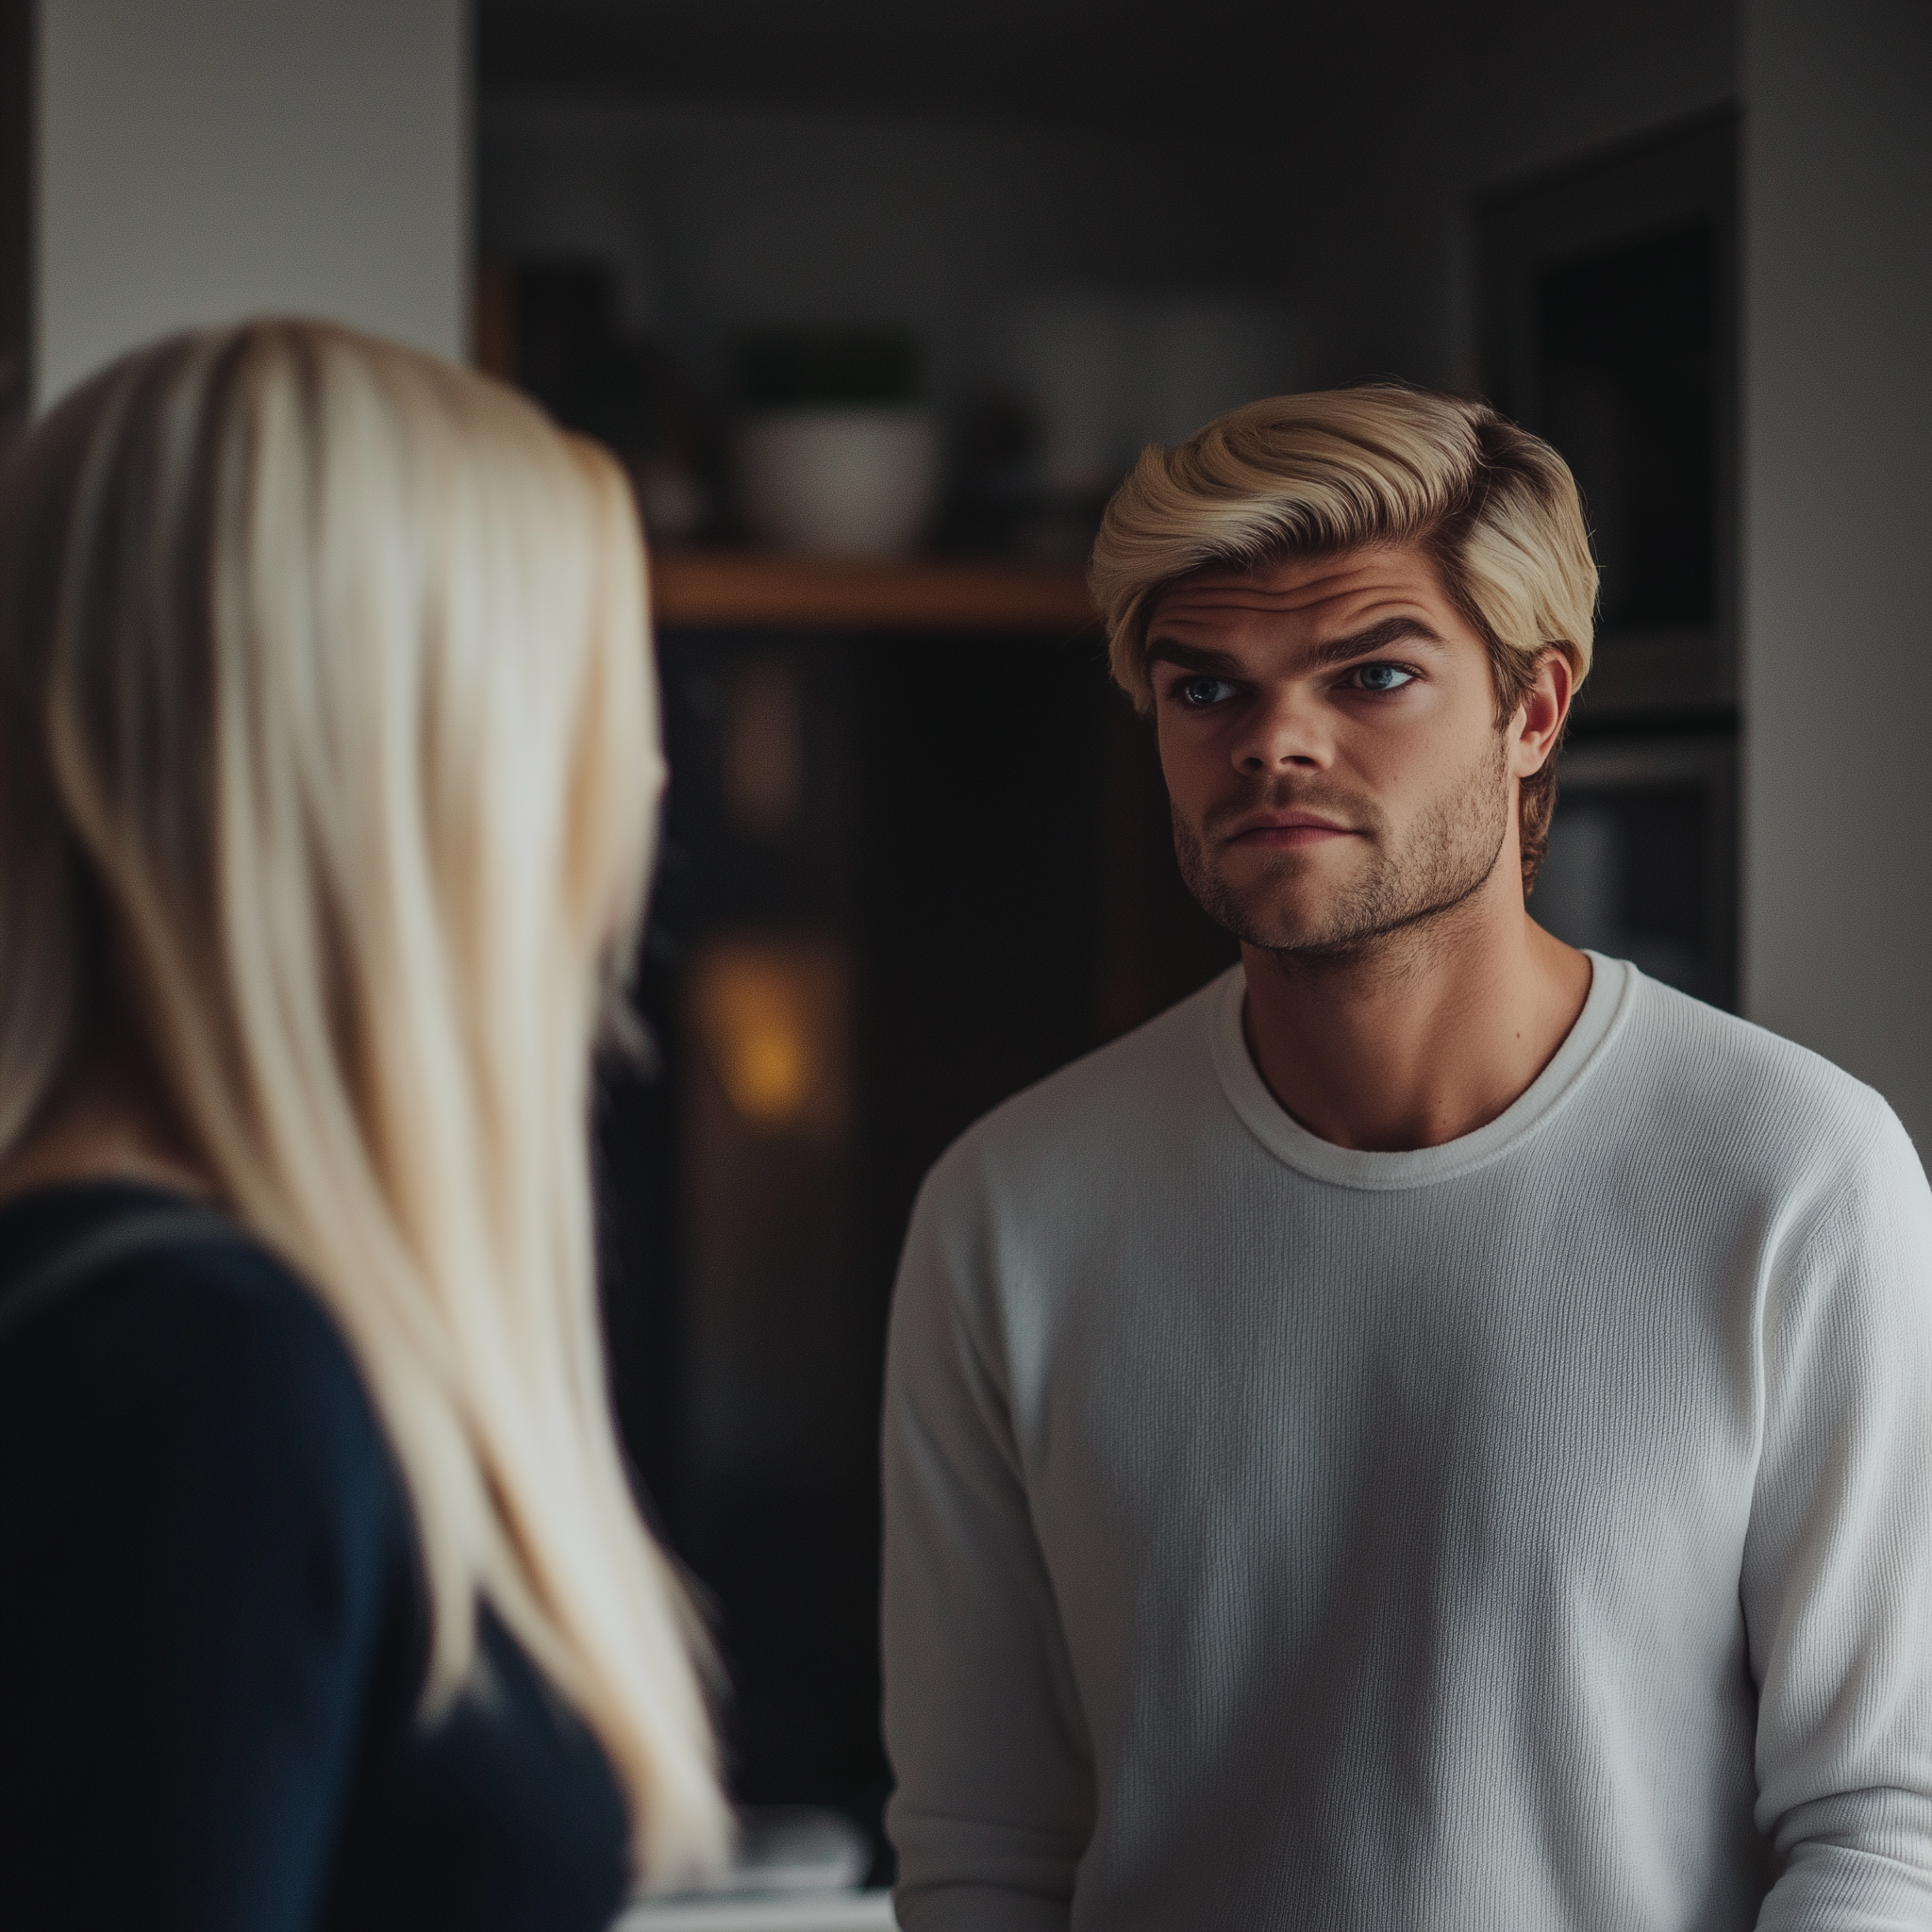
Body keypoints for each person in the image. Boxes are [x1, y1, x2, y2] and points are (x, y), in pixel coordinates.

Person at [880, 386, 1932, 1930]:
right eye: (1205, 691)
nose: (1274, 742)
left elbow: (1883, 1826)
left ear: (1534, 710)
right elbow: (982, 1850)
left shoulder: (1798, 1177)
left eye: (1371, 674)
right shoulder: (1010, 1209)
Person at [0, 321, 729, 1929]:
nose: (650, 772)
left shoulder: (123, 1319)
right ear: (406, 767)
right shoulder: (196, 1373)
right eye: (590, 700)